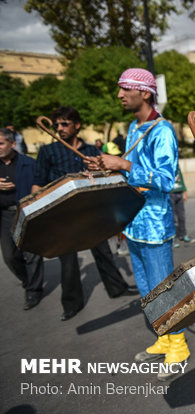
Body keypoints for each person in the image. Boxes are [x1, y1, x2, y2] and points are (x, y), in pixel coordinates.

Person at [91, 68, 188, 381]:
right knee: (147, 291)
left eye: (125, 89)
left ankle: (180, 345)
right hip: (133, 223)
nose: (119, 95)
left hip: (155, 225)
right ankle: (164, 338)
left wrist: (123, 163)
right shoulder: (134, 127)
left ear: (145, 93)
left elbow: (166, 180)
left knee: (163, 290)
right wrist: (108, 166)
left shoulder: (163, 131)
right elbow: (131, 175)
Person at [33, 106, 138, 321]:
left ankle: (117, 287)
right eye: (57, 125)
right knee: (68, 261)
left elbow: (107, 177)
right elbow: (38, 183)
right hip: (63, 216)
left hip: (91, 213)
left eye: (65, 124)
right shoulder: (47, 152)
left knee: (104, 253)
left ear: (77, 125)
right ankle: (72, 304)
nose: (60, 128)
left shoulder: (91, 150)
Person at [0, 128, 44, 310]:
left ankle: (34, 290)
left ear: (12, 143)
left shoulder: (28, 163)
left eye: (1, 143)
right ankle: (27, 279)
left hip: (25, 213)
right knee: (10, 256)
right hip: (4, 215)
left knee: (32, 253)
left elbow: (40, 183)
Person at [170, 165, 195, 248]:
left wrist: (184, 191)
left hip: (179, 191)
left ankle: (183, 234)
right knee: (172, 218)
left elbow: (180, 176)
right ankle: (172, 238)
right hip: (170, 193)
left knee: (181, 216)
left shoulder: (176, 165)